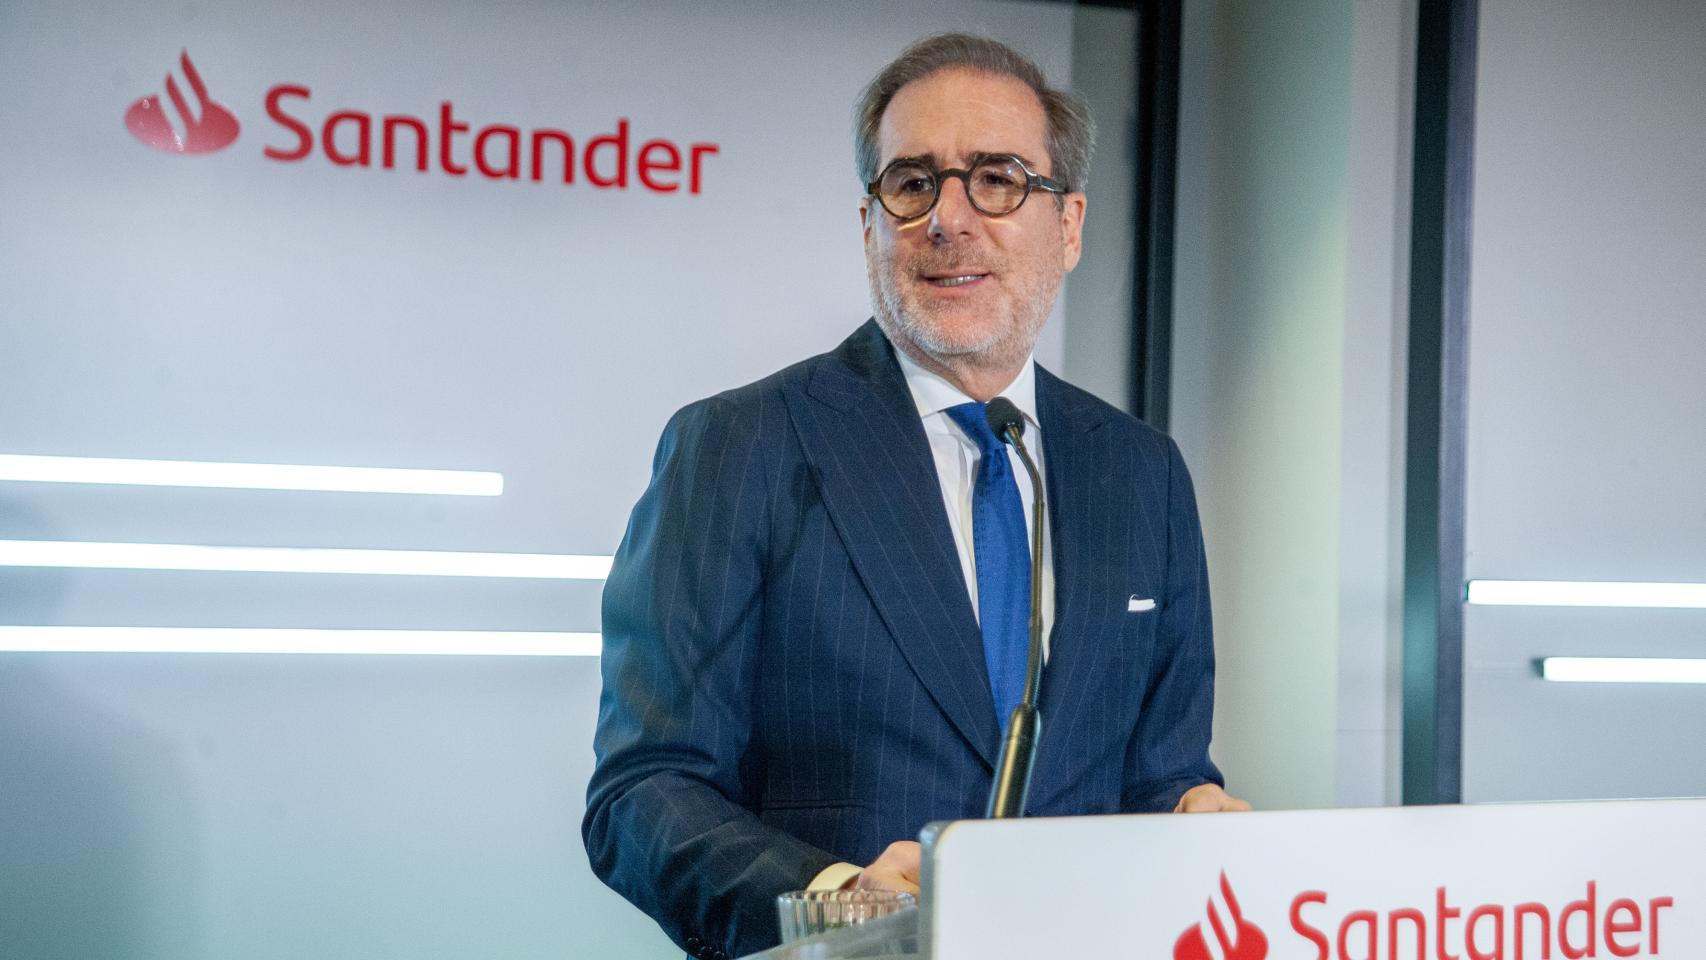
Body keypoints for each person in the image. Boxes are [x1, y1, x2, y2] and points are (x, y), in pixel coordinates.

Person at [583, 33, 1247, 960]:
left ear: (1070, 226)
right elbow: (643, 792)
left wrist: (1192, 811)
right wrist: (834, 898)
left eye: (999, 179)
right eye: (912, 183)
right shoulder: (738, 447)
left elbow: (1160, 771)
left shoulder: (1143, 472)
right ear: (870, 226)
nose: (949, 218)